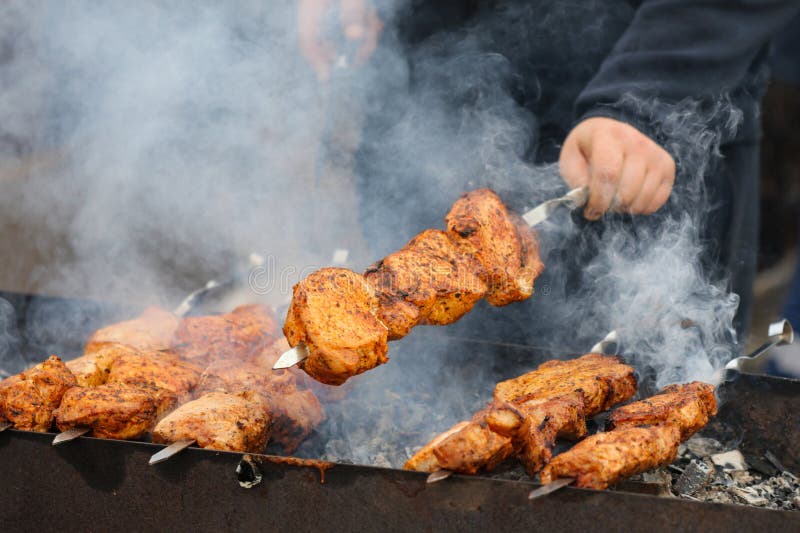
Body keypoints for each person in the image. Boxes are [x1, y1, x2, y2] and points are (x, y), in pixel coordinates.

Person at [296, 0, 800, 349]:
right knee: (410, 413)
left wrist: (651, 94)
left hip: (633, 132)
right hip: (428, 96)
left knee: (639, 423)